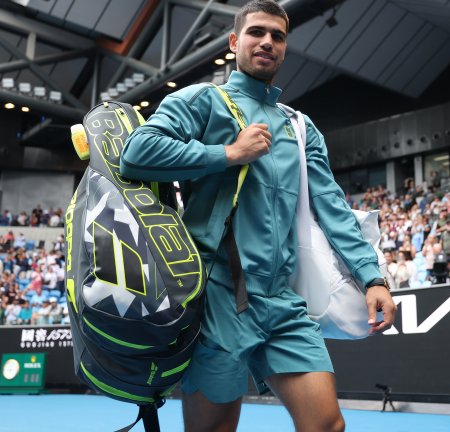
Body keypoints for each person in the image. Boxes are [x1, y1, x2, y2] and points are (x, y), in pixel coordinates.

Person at [119, 2, 396, 431]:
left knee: (327, 425)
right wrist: (229, 153)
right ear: (235, 42)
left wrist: (372, 277)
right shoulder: (202, 100)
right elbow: (137, 154)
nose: (267, 41)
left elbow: (333, 207)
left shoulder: (300, 127)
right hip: (216, 300)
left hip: (283, 303)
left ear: (285, 49)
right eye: (257, 33)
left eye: (278, 36)